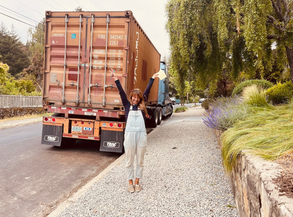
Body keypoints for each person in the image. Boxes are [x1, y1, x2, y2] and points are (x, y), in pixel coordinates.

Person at [110, 68, 159, 193]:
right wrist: (116, 79)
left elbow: (147, 90)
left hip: (141, 135)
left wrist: (152, 78)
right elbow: (121, 92)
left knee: (140, 160)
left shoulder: (142, 108)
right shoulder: (127, 106)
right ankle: (130, 182)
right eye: (134, 97)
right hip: (130, 135)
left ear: (140, 99)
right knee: (129, 160)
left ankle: (137, 181)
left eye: (138, 98)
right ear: (131, 97)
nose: (135, 99)